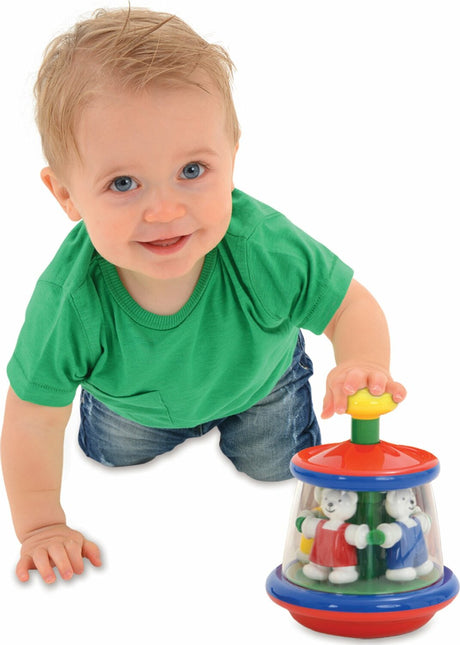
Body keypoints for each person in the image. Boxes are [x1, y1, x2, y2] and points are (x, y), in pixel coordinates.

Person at [1, 7, 406, 585]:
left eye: (192, 169)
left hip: (262, 386)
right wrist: (40, 525)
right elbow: (33, 420)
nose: (165, 210)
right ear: (66, 195)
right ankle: (128, 431)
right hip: (130, 403)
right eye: (123, 183)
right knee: (113, 459)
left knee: (278, 474)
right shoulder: (70, 299)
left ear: (232, 155)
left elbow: (349, 306)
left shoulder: (260, 245)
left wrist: (363, 361)